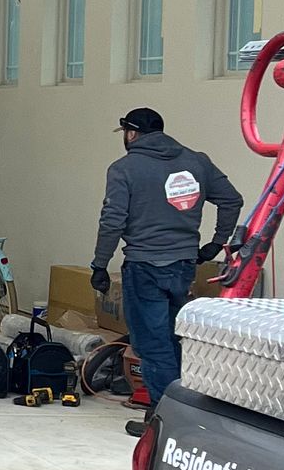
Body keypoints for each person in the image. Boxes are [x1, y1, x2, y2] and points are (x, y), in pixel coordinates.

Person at [92, 106, 243, 415]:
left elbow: (112, 222)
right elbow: (232, 199)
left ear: (131, 133)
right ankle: (185, 407)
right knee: (176, 339)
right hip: (184, 265)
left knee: (152, 344)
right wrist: (216, 242)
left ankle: (167, 417)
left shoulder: (124, 169)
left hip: (144, 266)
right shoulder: (196, 161)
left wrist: (99, 264)